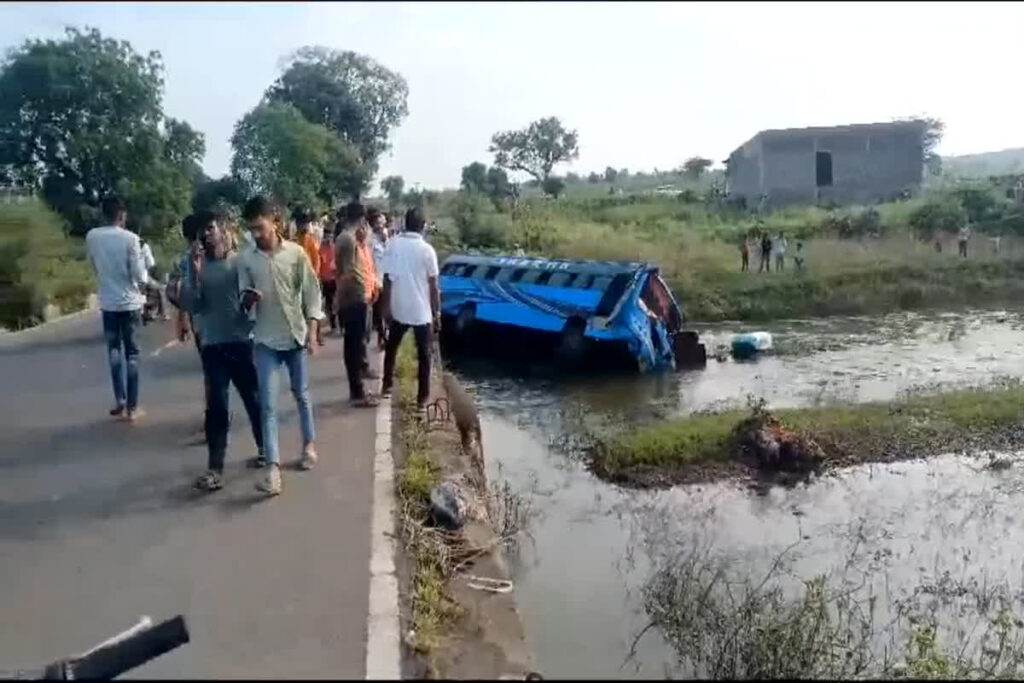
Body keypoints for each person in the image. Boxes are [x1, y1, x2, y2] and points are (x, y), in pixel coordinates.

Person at [237, 196, 323, 496]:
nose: (257, 235)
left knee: (301, 394)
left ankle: (308, 445)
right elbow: (241, 301)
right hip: (265, 341)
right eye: (251, 230)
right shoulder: (246, 259)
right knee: (268, 405)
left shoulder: (296, 254)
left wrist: (312, 332)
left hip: (295, 337)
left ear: (274, 220)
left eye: (260, 227)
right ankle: (273, 469)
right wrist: (248, 300)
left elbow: (312, 294)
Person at [179, 211, 264, 492]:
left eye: (211, 228)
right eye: (202, 232)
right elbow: (194, 305)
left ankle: (266, 450)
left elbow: (249, 299)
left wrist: (249, 303)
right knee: (216, 405)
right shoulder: (197, 265)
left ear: (223, 230)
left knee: (253, 399)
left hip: (240, 342)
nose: (206, 235)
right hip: (213, 345)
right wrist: (193, 271)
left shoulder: (239, 262)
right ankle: (215, 468)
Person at [85, 196, 147, 422]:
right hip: (129, 302)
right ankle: (132, 407)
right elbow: (139, 275)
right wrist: (146, 282)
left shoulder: (92, 237)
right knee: (132, 353)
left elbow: (93, 266)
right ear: (121, 215)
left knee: (114, 352)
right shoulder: (131, 239)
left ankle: (119, 400)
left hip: (108, 302)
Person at [381, 207, 441, 411]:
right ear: (423, 227)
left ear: (405, 223)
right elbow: (433, 286)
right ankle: (422, 399)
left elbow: (386, 280)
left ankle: (386, 384)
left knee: (391, 347)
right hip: (421, 312)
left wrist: (385, 307)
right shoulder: (427, 251)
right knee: (424, 355)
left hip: (398, 307)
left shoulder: (392, 244)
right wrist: (437, 312)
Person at [334, 200, 380, 407]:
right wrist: (337, 300)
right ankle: (357, 393)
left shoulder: (355, 239)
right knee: (353, 346)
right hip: (353, 298)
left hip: (361, 296)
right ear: (361, 219)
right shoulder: (347, 240)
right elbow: (346, 274)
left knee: (357, 342)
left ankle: (358, 389)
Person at [368, 207, 390, 351]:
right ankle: (382, 338)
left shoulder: (386, 239)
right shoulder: (368, 240)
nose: (381, 226)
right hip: (374, 281)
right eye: (378, 223)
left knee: (385, 312)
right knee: (377, 313)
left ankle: (382, 338)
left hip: (386, 279)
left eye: (383, 223)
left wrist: (386, 240)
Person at [138, 236, 168, 321]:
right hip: (143, 278)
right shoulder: (144, 246)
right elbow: (151, 264)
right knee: (161, 288)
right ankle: (164, 313)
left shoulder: (124, 244)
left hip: (128, 280)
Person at [318, 225, 338, 345]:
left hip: (335, 279)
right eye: (326, 235)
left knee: (337, 303)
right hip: (325, 280)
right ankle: (333, 325)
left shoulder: (335, 248)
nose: (328, 238)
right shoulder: (320, 249)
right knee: (329, 304)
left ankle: (338, 325)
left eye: (330, 235)